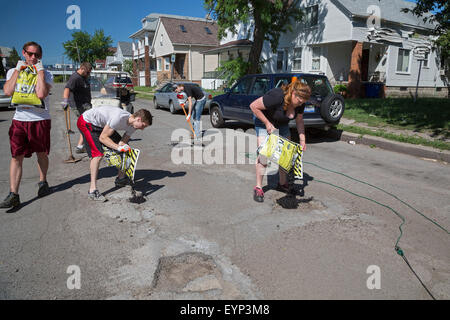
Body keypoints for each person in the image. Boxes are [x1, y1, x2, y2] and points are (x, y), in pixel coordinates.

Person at [0, 41, 53, 208]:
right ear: (23, 53)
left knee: (41, 154)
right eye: (30, 54)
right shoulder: (12, 72)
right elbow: (8, 91)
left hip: (40, 120)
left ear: (41, 56)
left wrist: (40, 71)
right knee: (16, 156)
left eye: (37, 55)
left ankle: (43, 181)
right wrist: (17, 69)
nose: (33, 57)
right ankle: (13, 194)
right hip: (19, 120)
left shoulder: (47, 73)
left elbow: (41, 93)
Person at [250, 79, 311, 203]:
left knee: (285, 156)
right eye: (299, 101)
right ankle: (258, 187)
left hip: (282, 124)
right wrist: (267, 123)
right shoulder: (277, 96)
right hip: (263, 121)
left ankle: (282, 183)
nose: (300, 104)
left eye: (303, 102)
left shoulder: (300, 103)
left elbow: (299, 121)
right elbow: (254, 106)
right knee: (264, 156)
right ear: (293, 93)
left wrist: (302, 140)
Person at [77, 106, 152, 201]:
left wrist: (121, 147)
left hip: (101, 126)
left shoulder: (133, 125)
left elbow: (122, 142)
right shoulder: (118, 118)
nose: (143, 129)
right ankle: (92, 191)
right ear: (138, 119)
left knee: (126, 149)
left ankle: (120, 179)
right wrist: (118, 147)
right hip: (86, 122)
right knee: (97, 155)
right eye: (143, 125)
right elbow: (103, 138)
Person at [62, 62, 92, 153]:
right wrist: (65, 100)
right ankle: (81, 146)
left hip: (85, 104)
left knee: (87, 124)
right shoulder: (75, 77)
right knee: (86, 124)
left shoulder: (82, 77)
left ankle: (81, 145)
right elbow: (67, 88)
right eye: (87, 72)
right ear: (82, 69)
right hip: (79, 105)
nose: (88, 74)